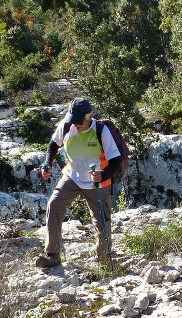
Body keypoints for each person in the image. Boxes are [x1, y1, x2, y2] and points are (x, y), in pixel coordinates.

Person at [36, 98, 121, 268]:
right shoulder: (66, 126)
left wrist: (102, 175)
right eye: (72, 119)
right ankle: (52, 254)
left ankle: (104, 260)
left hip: (97, 182)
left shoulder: (101, 130)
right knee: (54, 204)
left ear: (89, 116)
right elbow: (53, 145)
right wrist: (48, 163)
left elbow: (116, 161)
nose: (75, 124)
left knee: (101, 222)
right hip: (72, 176)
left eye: (79, 120)